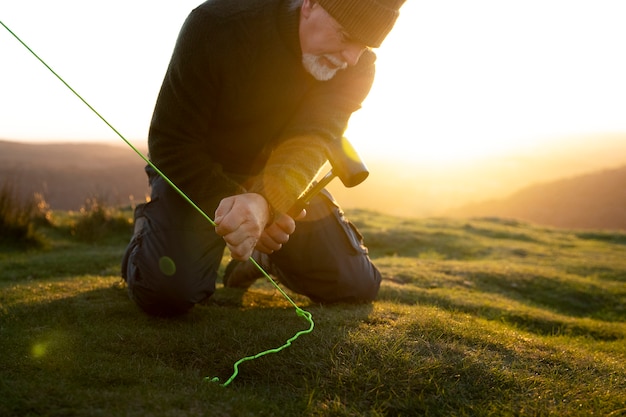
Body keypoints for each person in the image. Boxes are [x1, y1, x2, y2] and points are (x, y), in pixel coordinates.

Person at [121, 0, 405, 316]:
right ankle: (147, 238)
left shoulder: (359, 68)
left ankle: (263, 259)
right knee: (166, 292)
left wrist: (267, 204)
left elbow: (312, 141)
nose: (352, 58)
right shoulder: (215, 25)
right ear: (310, 4)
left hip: (278, 180)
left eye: (364, 45)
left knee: (356, 286)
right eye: (344, 35)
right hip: (195, 175)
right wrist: (244, 205)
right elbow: (170, 143)